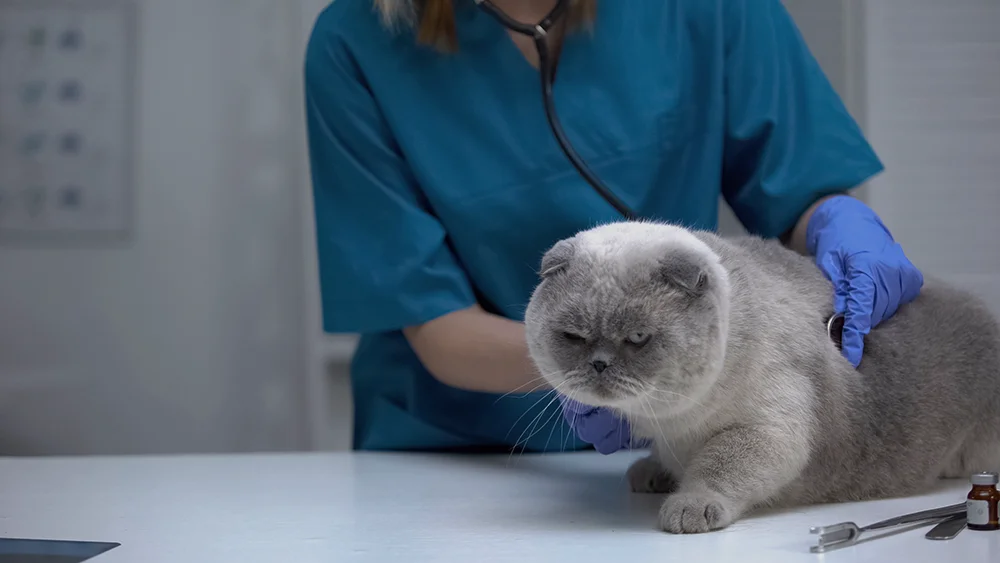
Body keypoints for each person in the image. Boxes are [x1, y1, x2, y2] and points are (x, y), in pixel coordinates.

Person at [303, 0, 924, 453]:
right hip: (453, 453)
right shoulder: (355, 43)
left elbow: (797, 189)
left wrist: (837, 221)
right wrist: (617, 369)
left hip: (683, 435)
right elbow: (438, 326)